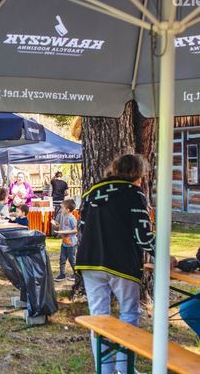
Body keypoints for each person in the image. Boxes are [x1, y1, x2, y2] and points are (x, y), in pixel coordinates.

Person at [76, 154, 155, 374]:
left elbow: (82, 226)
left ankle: (105, 370)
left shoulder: (92, 192)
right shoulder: (133, 193)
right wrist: (162, 255)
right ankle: (124, 367)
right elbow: (142, 235)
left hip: (90, 260)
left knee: (98, 317)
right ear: (137, 174)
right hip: (121, 261)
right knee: (129, 314)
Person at [52, 199, 78, 282]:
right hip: (64, 242)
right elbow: (63, 227)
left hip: (71, 243)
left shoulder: (72, 218)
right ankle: (62, 274)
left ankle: (76, 274)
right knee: (62, 259)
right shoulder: (64, 216)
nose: (61, 210)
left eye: (62, 208)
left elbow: (75, 230)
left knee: (72, 259)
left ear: (68, 210)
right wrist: (57, 225)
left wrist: (63, 232)